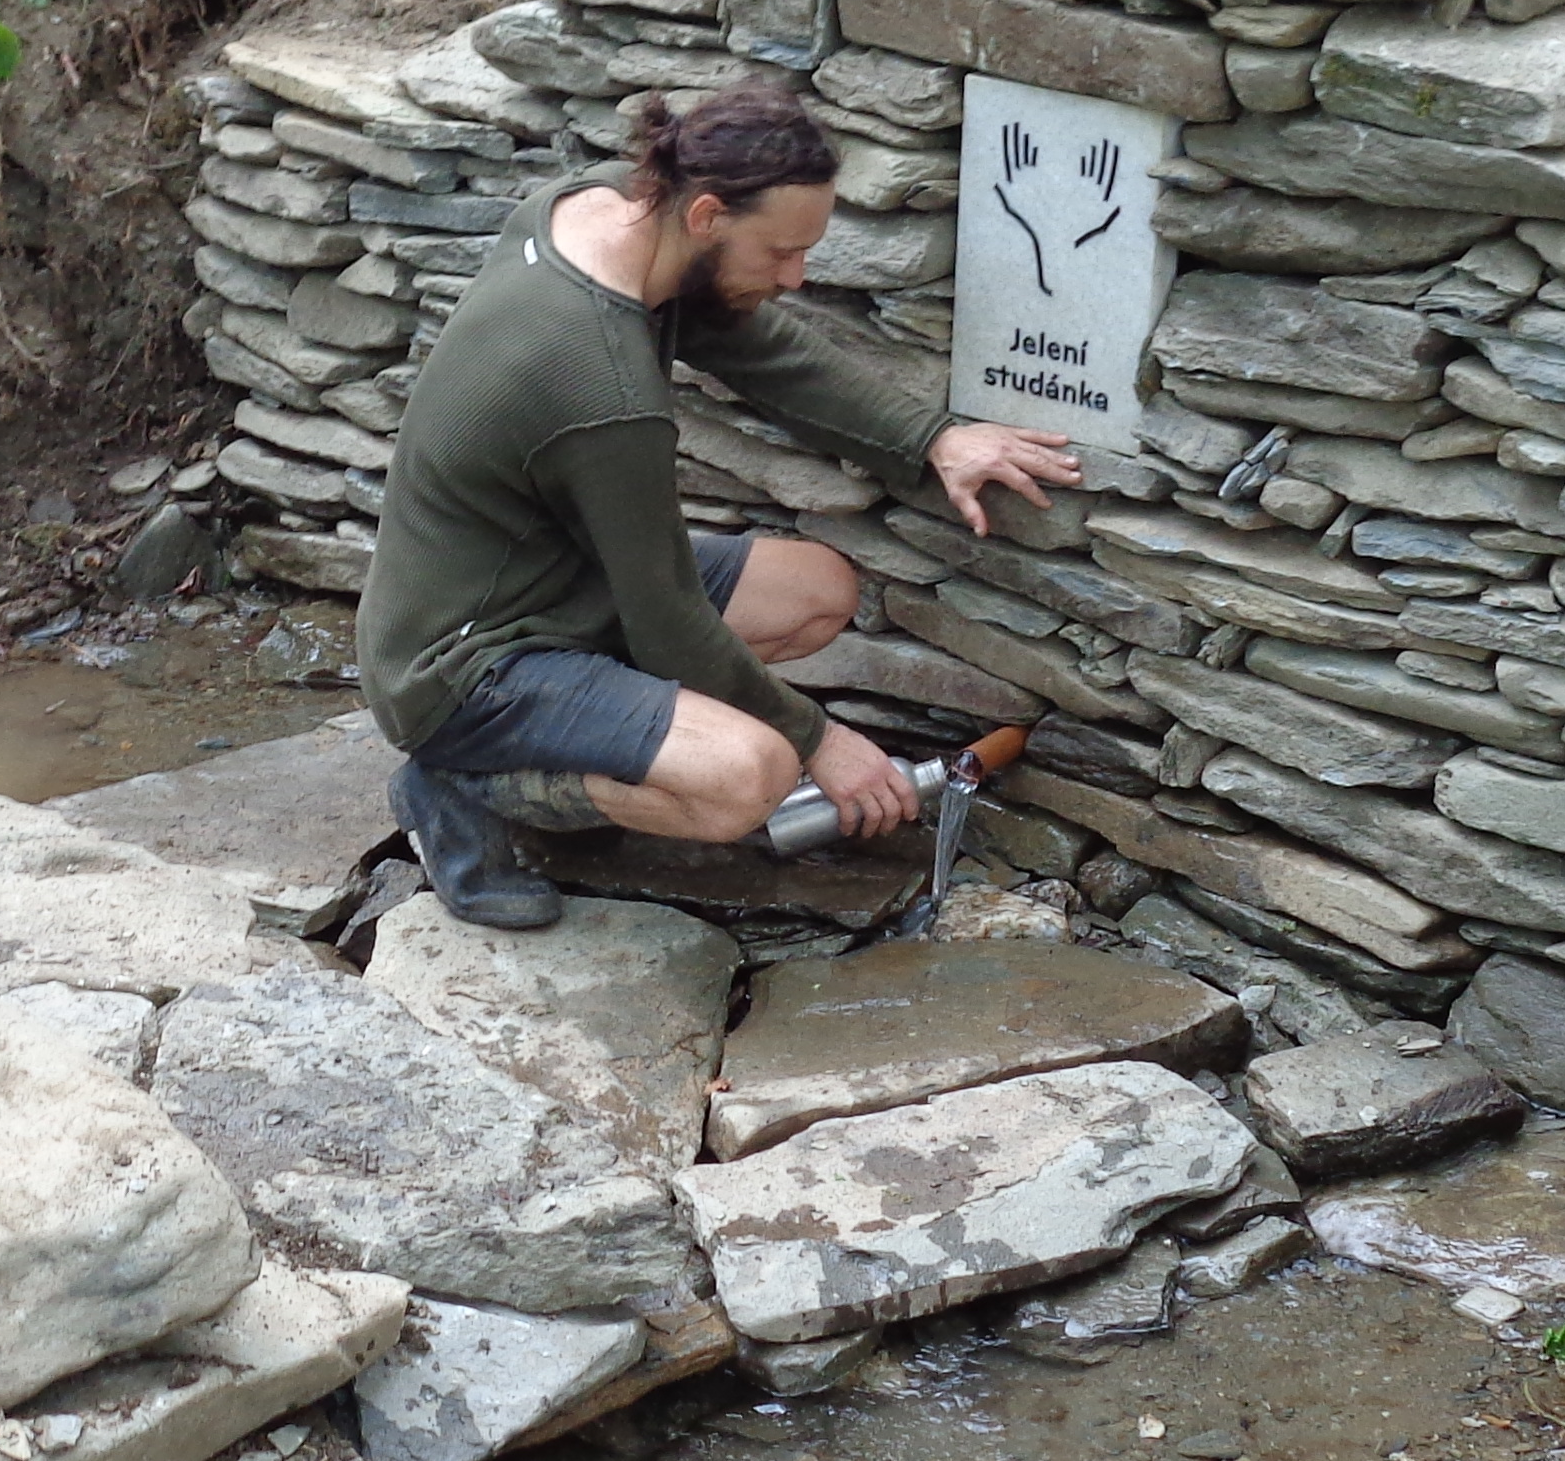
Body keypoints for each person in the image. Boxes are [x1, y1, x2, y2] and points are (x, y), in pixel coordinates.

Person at [357, 77, 1084, 931]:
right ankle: (465, 784)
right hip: (459, 666)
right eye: (780, 253)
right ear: (705, 216)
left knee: (815, 591)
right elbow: (666, 619)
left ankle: (588, 738)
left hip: (549, 584)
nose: (798, 275)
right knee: (751, 777)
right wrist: (822, 741)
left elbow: (764, 354)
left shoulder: (597, 214)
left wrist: (931, 437)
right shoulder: (600, 383)